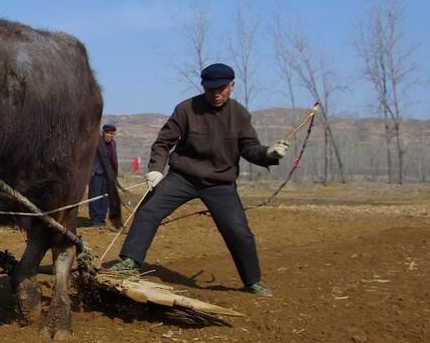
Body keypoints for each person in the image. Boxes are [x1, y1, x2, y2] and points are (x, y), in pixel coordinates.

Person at [105, 63, 288, 296]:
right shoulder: (186, 109)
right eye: (211, 89)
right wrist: (156, 169)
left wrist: (268, 154)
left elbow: (250, 149)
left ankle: (252, 280)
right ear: (203, 87)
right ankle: (130, 262)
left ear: (232, 86)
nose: (216, 93)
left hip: (220, 183)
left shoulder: (240, 114)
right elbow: (163, 142)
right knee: (148, 209)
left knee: (239, 232)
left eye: (222, 88)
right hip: (183, 177)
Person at [87, 123, 120, 227]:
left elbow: (114, 160)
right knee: (95, 197)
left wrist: (114, 174)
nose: (110, 135)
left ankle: (101, 219)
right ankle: (95, 220)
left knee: (105, 198)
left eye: (112, 133)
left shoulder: (113, 144)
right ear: (103, 133)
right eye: (108, 133)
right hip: (96, 174)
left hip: (108, 176)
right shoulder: (96, 143)